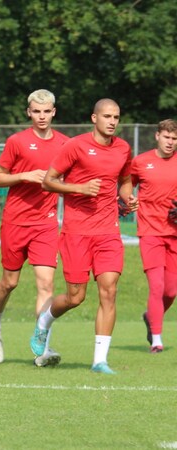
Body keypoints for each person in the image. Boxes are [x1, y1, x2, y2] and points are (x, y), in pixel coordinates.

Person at [30, 98, 136, 375]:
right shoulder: (75, 146)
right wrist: (79, 188)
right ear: (94, 118)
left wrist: (127, 198)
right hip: (76, 233)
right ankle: (43, 323)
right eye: (107, 116)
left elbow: (125, 179)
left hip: (109, 232)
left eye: (116, 116)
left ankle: (99, 361)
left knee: (109, 291)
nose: (112, 121)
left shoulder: (124, 148)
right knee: (76, 297)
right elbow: (48, 181)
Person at [0, 89, 69, 366]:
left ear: (54, 112)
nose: (42, 116)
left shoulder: (65, 144)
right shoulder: (17, 142)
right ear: (29, 113)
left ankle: (42, 348)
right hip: (15, 222)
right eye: (37, 111)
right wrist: (24, 176)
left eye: (47, 111)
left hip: (45, 224)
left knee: (46, 285)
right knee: (9, 283)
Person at [132, 119, 177, 353]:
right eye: (167, 137)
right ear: (158, 136)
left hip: (175, 234)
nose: (170, 142)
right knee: (157, 286)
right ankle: (157, 339)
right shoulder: (140, 162)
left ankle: (150, 317)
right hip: (150, 232)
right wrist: (124, 200)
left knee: (171, 291)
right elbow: (125, 187)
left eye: (175, 139)